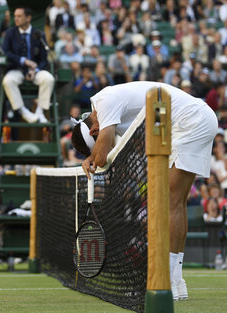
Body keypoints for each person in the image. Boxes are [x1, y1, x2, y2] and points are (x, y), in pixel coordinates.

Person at [71, 81, 218, 302]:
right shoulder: (109, 109)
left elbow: (101, 157)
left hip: (190, 121)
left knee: (170, 202)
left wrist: (94, 158)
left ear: (95, 131)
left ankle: (165, 280)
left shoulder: (105, 103)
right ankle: (176, 281)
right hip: (193, 120)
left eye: (100, 140)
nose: (104, 142)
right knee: (176, 202)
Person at [2, 7, 55, 123]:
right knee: (7, 81)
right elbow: (5, 53)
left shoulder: (39, 34)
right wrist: (23, 61)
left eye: (19, 16)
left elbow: (44, 58)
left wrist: (35, 70)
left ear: (28, 18)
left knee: (48, 78)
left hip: (35, 71)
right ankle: (24, 112)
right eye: (15, 16)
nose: (16, 18)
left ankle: (39, 113)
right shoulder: (10, 33)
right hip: (17, 69)